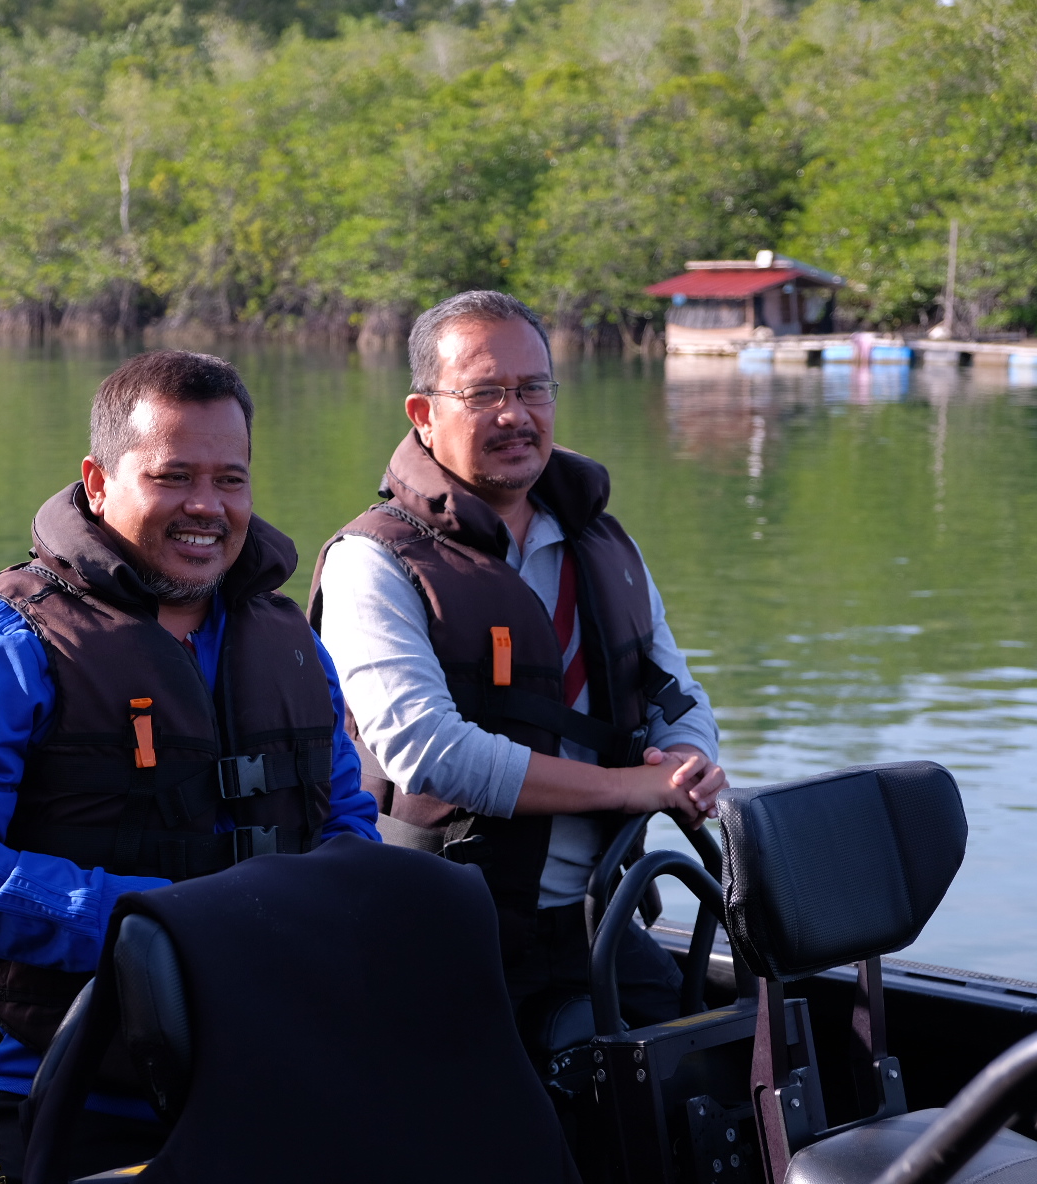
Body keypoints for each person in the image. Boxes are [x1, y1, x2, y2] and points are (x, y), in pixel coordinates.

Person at [0, 351, 380, 1184]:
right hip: (51, 1081)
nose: (206, 506)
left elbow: (347, 825)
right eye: (173, 477)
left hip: (261, 1057)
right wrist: (150, 929)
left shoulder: (291, 642)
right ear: (96, 481)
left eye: (230, 479)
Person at [311, 290, 726, 1038]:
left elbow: (679, 697)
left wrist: (689, 762)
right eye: (484, 393)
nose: (516, 414)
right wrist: (625, 788)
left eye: (534, 388)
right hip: (442, 934)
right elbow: (424, 750)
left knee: (710, 1076)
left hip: (604, 917)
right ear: (423, 414)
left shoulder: (603, 543)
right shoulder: (372, 561)